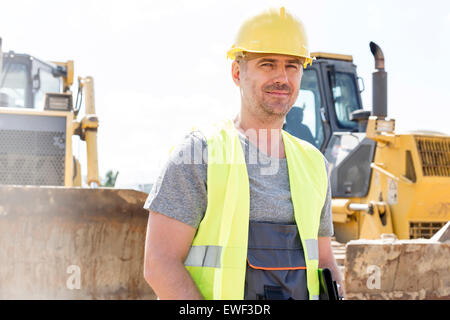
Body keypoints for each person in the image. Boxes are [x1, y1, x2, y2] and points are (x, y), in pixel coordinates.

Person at [143, 7, 344, 300]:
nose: (282, 78)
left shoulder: (313, 164)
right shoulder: (199, 154)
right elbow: (159, 264)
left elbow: (324, 261)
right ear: (237, 72)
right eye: (267, 64)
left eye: (292, 65)